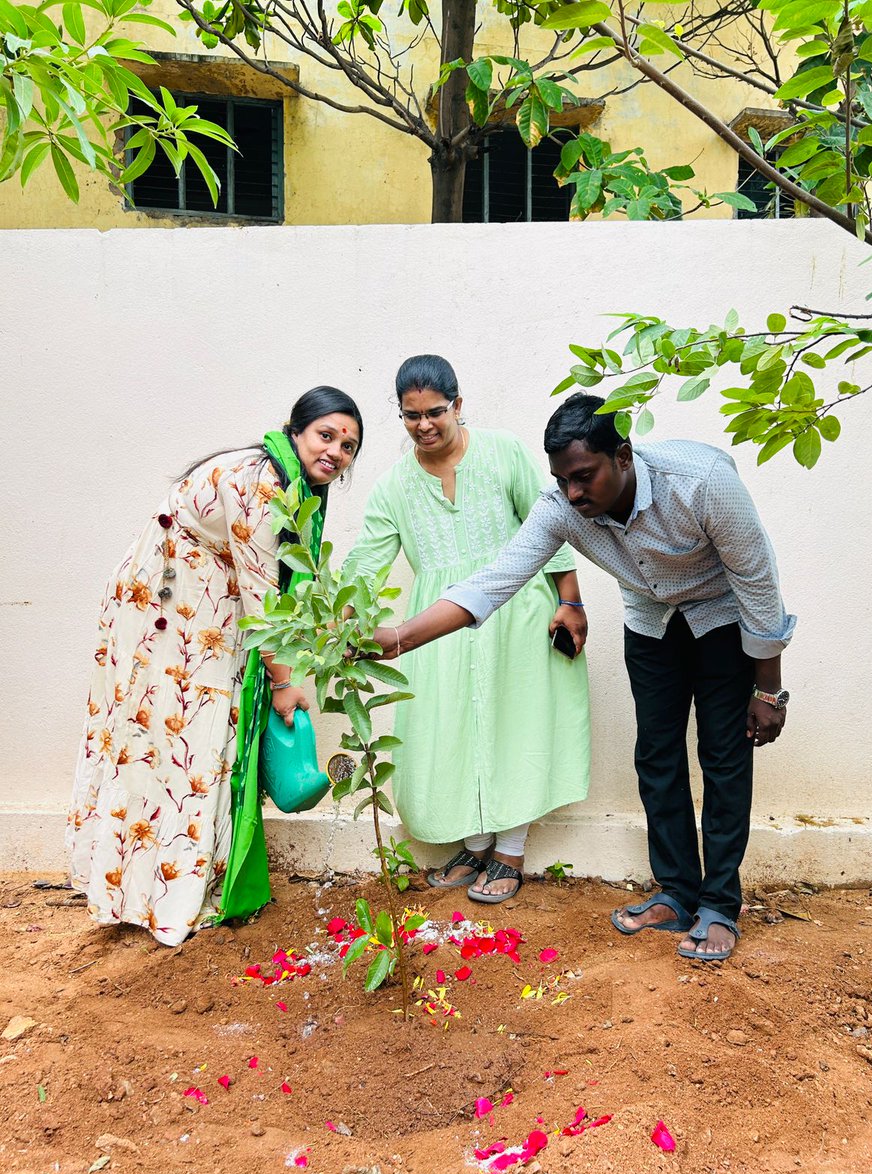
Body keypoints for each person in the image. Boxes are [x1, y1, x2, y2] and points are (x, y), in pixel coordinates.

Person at [368, 393, 795, 960]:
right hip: (651, 625)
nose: (572, 494)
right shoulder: (563, 504)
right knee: (657, 756)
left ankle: (719, 904)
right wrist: (399, 638)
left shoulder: (702, 482)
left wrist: (768, 689)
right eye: (562, 480)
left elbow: (760, 586)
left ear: (622, 456)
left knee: (722, 757)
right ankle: (674, 892)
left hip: (721, 622)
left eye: (584, 477)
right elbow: (494, 582)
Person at [68, 388, 364, 946]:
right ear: (295, 429)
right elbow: (259, 590)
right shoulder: (260, 482)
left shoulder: (291, 484)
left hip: (197, 606)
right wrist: (284, 682)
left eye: (348, 446)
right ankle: (153, 891)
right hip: (169, 611)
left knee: (191, 742)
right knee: (174, 742)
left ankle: (174, 881)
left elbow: (280, 582)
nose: (336, 452)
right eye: (327, 435)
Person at [340, 355, 590, 903]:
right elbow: (366, 562)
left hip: (517, 608)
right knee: (451, 728)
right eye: (411, 416)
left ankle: (510, 851)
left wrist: (569, 600)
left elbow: (550, 525)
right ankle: (476, 844)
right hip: (439, 627)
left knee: (515, 723)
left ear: (458, 404)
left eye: (434, 412)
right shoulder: (393, 488)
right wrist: (341, 617)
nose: (424, 425)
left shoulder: (503, 453)